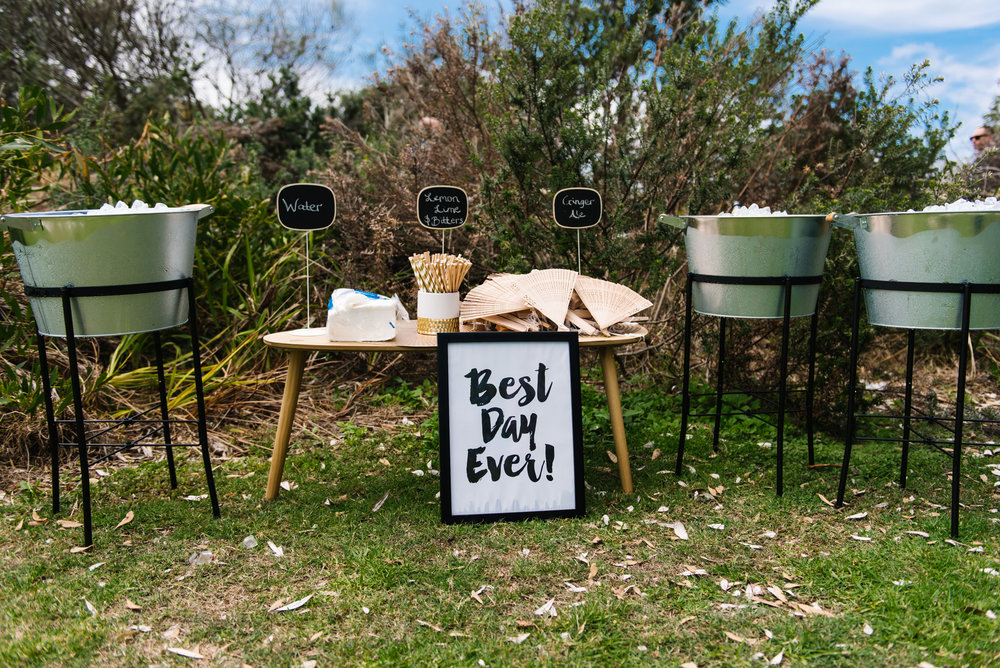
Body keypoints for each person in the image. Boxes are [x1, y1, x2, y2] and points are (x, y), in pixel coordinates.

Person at [970, 125, 1000, 197]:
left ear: (990, 138)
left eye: (977, 137)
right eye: (972, 138)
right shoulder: (976, 160)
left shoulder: (997, 156)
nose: (974, 140)